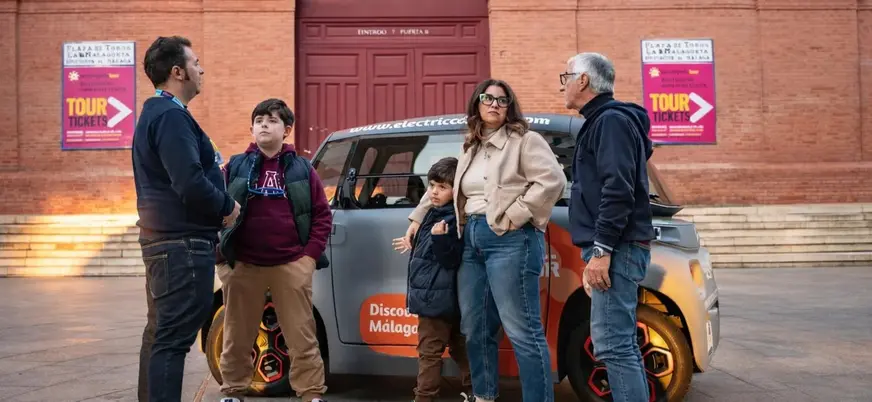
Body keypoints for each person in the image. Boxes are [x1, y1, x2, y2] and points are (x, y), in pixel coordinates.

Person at [401, 79, 567, 402]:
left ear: (509, 108)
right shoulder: (470, 146)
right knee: (474, 330)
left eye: (501, 101)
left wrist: (516, 214)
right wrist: (417, 218)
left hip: (511, 239)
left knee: (522, 331)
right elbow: (445, 188)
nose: (494, 104)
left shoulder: (525, 141)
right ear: (476, 103)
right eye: (487, 98)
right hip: (471, 241)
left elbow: (553, 181)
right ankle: (484, 397)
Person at [133, 35, 240, 402]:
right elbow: (190, 182)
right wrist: (227, 206)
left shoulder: (160, 114)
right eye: (195, 63)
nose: (202, 68)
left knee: (161, 334)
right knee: (173, 339)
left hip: (168, 241)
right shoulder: (170, 116)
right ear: (178, 72)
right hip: (180, 245)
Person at [215, 98, 331, 402]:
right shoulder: (235, 166)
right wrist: (222, 259)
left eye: (272, 119)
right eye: (259, 120)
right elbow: (214, 208)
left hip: (291, 264)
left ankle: (311, 393)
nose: (264, 124)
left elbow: (322, 215)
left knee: (302, 336)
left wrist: (309, 258)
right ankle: (233, 391)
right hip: (244, 265)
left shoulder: (302, 169)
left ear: (287, 129)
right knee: (237, 336)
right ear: (252, 128)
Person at [561, 52, 656, 402]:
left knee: (614, 347)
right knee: (618, 345)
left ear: (583, 80)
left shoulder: (611, 121)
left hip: (616, 248)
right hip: (616, 247)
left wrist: (601, 250)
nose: (564, 87)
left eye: (565, 78)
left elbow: (618, 189)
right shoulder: (605, 121)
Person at [391, 157, 473, 402]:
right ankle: (476, 389)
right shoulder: (434, 213)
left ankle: (425, 397)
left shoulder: (449, 220)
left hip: (435, 298)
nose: (434, 192)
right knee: (460, 348)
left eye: (442, 187)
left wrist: (439, 239)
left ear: (455, 190)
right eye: (432, 186)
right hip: (442, 296)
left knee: (428, 352)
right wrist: (412, 239)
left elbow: (450, 259)